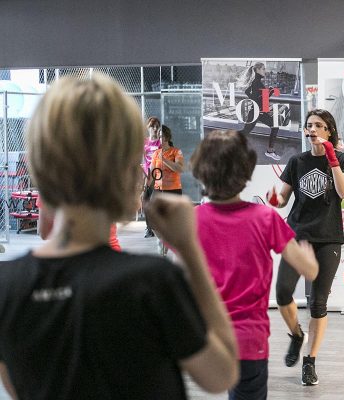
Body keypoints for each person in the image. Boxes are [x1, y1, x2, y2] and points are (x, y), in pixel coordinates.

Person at [0, 74, 239, 399]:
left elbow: (19, 389)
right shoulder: (151, 282)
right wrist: (188, 248)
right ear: (126, 173)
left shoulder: (6, 288)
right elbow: (222, 374)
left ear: (41, 167)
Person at [190, 130, 318, 399]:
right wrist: (309, 259)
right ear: (247, 171)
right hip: (250, 340)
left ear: (201, 172)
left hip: (209, 339)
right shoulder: (264, 218)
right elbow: (308, 270)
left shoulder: (192, 220)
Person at [270, 109, 344, 386]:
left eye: (319, 125)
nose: (313, 129)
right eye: (309, 125)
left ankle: (310, 361)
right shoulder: (296, 161)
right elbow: (282, 199)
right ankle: (296, 334)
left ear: (329, 130)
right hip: (297, 235)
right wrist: (274, 200)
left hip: (328, 237)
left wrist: (331, 158)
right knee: (283, 292)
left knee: (318, 303)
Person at [37, 197, 122, 251]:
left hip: (69, 254)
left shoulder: (48, 187)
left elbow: (44, 233)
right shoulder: (105, 181)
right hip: (108, 252)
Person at [238, 62, 281, 161]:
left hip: (259, 111)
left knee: (275, 126)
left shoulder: (256, 81)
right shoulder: (256, 82)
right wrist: (271, 91)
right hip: (255, 112)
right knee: (246, 131)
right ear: (257, 70)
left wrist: (268, 92)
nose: (265, 71)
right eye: (263, 69)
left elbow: (251, 94)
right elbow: (260, 98)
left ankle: (270, 151)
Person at [150, 125, 184, 195]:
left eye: (162, 136)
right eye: (159, 137)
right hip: (158, 189)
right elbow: (151, 173)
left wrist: (164, 160)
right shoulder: (156, 153)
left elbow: (180, 169)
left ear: (167, 137)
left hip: (174, 190)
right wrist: (144, 189)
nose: (160, 138)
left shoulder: (176, 151)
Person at [142, 116, 161, 238]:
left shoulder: (161, 142)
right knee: (144, 200)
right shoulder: (144, 142)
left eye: (156, 126)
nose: (154, 128)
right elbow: (143, 160)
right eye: (152, 126)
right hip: (146, 175)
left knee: (155, 200)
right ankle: (148, 228)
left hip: (157, 174)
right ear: (148, 128)